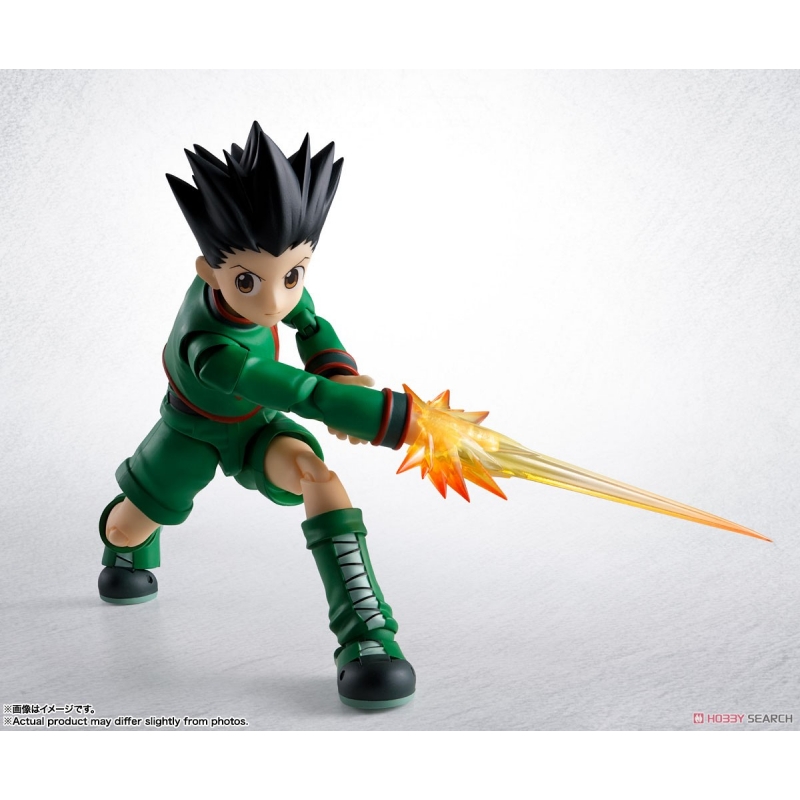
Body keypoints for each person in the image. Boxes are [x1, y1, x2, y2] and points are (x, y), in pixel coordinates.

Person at [98, 122, 416, 709]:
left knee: (320, 478)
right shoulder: (207, 345)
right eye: (249, 281)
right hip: (189, 432)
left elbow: (309, 324)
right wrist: (374, 414)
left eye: (293, 274)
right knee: (127, 530)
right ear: (209, 271)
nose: (274, 300)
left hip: (256, 430)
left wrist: (339, 372)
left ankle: (367, 636)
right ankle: (126, 542)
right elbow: (288, 389)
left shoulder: (275, 286)